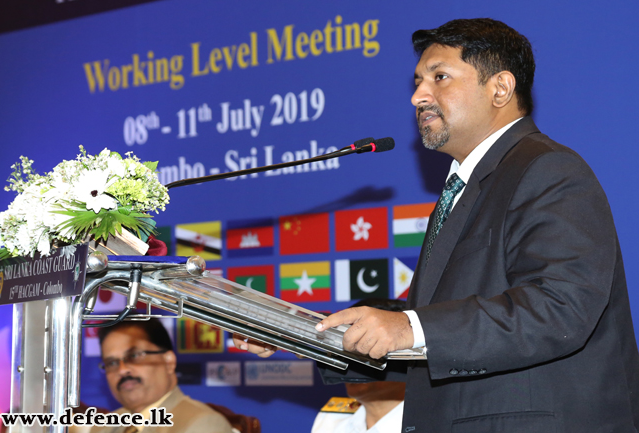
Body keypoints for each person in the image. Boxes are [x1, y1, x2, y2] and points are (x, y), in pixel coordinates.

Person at [237, 18, 639, 432]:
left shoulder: (547, 169)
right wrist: (300, 335)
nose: (417, 96)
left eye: (439, 77)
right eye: (417, 81)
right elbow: (435, 352)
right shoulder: (465, 186)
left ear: (500, 88)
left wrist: (410, 325)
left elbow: (561, 308)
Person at [91, 318, 234, 433]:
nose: (122, 370)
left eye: (134, 356)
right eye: (112, 363)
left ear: (169, 361)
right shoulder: (103, 427)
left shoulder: (202, 425)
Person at [311, 299, 406, 433]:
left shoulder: (437, 424)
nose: (351, 365)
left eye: (370, 349)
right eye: (345, 351)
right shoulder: (332, 419)